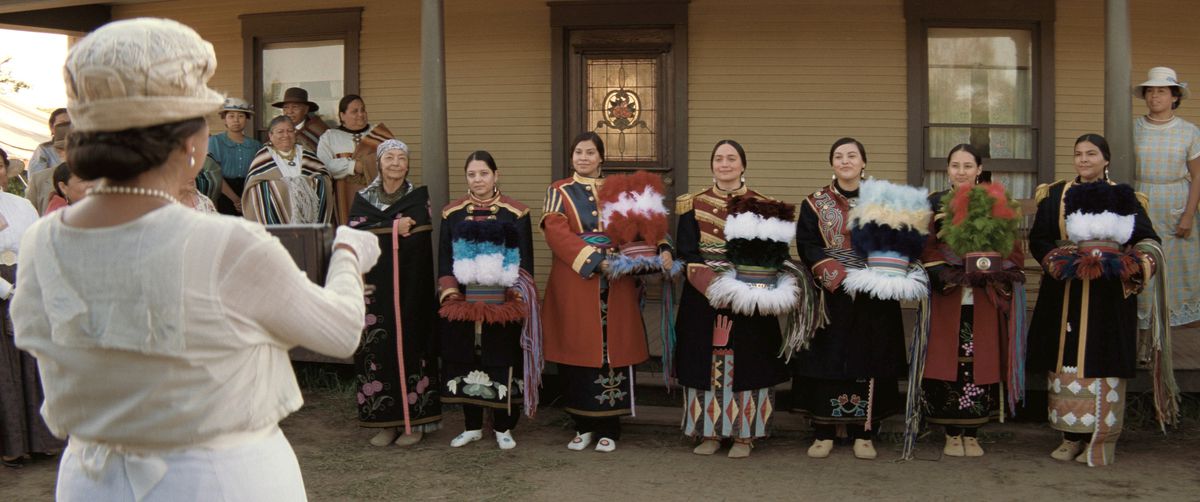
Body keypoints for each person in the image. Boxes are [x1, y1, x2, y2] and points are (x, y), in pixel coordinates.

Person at [11, 18, 381, 499]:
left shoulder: (43, 240)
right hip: (213, 477)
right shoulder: (225, 243)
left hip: (91, 477)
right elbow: (339, 331)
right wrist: (350, 254)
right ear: (189, 144)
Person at [1027, 134, 1166, 466]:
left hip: (1108, 296)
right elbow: (1040, 238)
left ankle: (1100, 436)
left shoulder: (1124, 197)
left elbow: (1148, 239)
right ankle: (1069, 436)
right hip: (1066, 291)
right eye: (1078, 154)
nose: (1083, 160)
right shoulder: (1056, 195)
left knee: (1101, 357)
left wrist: (1134, 265)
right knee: (1066, 359)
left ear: (1106, 159)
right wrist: (1058, 261)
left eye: (1091, 154)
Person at [541, 132, 670, 453]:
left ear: (601, 158)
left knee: (616, 349)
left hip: (619, 281)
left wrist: (661, 246)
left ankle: (611, 427)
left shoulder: (621, 191)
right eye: (578, 152)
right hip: (576, 278)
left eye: (589, 152)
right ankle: (582, 426)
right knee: (577, 350)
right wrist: (595, 261)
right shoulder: (559, 190)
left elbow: (644, 226)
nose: (583, 158)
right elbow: (556, 233)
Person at [792, 137, 906, 460]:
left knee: (869, 357)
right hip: (830, 295)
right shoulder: (814, 202)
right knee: (827, 358)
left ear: (863, 162)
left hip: (873, 293)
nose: (845, 161)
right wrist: (835, 276)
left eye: (852, 156)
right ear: (832, 164)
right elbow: (807, 244)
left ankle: (864, 432)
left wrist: (876, 272)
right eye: (839, 156)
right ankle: (823, 431)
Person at [674, 140, 789, 458]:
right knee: (703, 362)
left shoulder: (764, 205)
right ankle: (708, 432)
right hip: (704, 298)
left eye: (731, 158)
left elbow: (775, 256)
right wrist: (716, 289)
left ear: (743, 165)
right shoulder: (691, 204)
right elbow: (687, 252)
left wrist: (748, 288)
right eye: (719, 159)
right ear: (712, 165)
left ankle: (744, 435)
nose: (724, 164)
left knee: (750, 362)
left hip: (750, 297)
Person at [915, 144, 1025, 457]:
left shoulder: (996, 201)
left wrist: (994, 270)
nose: (961, 172)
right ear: (947, 169)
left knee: (980, 359)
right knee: (947, 358)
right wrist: (947, 273)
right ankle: (950, 431)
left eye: (967, 166)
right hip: (948, 293)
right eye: (955, 166)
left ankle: (973, 431)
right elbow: (926, 246)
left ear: (979, 170)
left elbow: (1013, 247)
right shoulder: (934, 203)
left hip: (984, 293)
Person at [437, 150, 538, 451]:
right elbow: (445, 260)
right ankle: (472, 426)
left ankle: (504, 427)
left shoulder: (516, 212)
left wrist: (513, 297)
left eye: (483, 173)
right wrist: (451, 295)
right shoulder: (452, 213)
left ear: (496, 175)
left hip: (502, 305)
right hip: (464, 304)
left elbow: (525, 263)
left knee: (501, 358)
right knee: (466, 360)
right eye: (472, 174)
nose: (478, 179)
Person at [347, 139, 442, 446]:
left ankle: (414, 423)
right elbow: (356, 233)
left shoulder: (417, 197)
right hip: (375, 289)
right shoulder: (363, 198)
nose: (396, 163)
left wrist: (389, 229)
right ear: (379, 161)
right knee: (378, 350)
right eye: (390, 157)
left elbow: (419, 236)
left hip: (410, 288)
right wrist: (393, 228)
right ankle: (385, 422)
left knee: (412, 347)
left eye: (402, 158)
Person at [0, 146, 56, 468]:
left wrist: (27, 284)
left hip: (25, 283)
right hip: (4, 289)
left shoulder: (21, 205)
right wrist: (6, 290)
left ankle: (41, 440)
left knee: (33, 364)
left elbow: (38, 244)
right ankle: (12, 445)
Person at [1132, 67, 1200, 327]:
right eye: (1150, 91)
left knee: (1175, 272)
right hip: (1142, 200)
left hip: (1176, 204)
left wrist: (1188, 215)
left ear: (1174, 97)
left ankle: (1167, 344)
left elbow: (1197, 176)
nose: (1154, 96)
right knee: (1142, 265)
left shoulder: (1189, 131)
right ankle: (1142, 340)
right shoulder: (1133, 128)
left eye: (1161, 91)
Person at [316, 94, 394, 223]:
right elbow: (323, 166)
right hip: (343, 201)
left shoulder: (379, 134)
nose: (361, 114)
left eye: (363, 110)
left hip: (378, 199)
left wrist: (368, 165)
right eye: (354, 111)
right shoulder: (330, 137)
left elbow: (394, 161)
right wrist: (353, 166)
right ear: (342, 115)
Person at [242, 115, 333, 225]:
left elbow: (324, 177)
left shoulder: (306, 153)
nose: (286, 135)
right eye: (280, 132)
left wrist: (305, 185)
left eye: (290, 131)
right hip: (275, 217)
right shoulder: (263, 157)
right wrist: (290, 187)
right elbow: (256, 187)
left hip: (308, 220)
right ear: (271, 135)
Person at [207, 98, 262, 216]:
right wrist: (236, 200)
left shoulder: (256, 145)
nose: (236, 120)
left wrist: (246, 198)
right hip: (223, 194)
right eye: (231, 116)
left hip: (249, 193)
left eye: (241, 116)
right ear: (224, 120)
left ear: (247, 119)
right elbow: (214, 173)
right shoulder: (215, 142)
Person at [25, 122, 70, 215]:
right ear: (59, 151)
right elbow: (29, 213)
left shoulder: (96, 176)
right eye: (68, 148)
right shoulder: (39, 179)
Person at [273, 87, 328, 153]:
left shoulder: (318, 131)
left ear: (306, 110)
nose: (290, 111)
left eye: (295, 107)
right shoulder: (275, 130)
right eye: (286, 107)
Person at [26, 108, 69, 175]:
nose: (67, 127)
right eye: (62, 123)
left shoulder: (84, 147)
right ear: (52, 127)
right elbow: (36, 177)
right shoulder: (44, 149)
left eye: (70, 123)